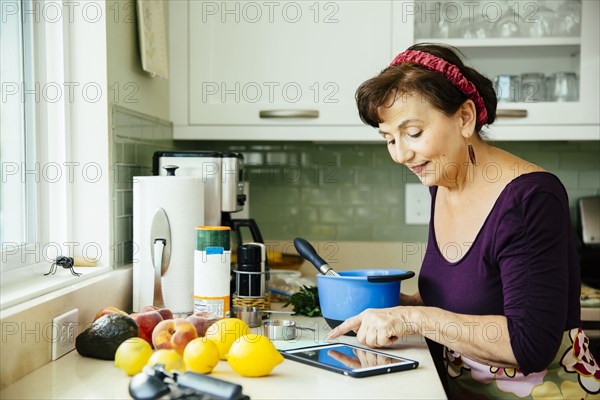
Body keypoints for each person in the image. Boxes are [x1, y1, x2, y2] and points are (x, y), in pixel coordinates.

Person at [328, 43, 600, 399]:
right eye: (389, 139)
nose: (401, 154)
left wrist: (411, 319)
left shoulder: (530, 199)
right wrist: (391, 306)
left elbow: (531, 344)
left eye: (412, 133)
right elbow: (462, 297)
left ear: (465, 118)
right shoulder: (442, 183)